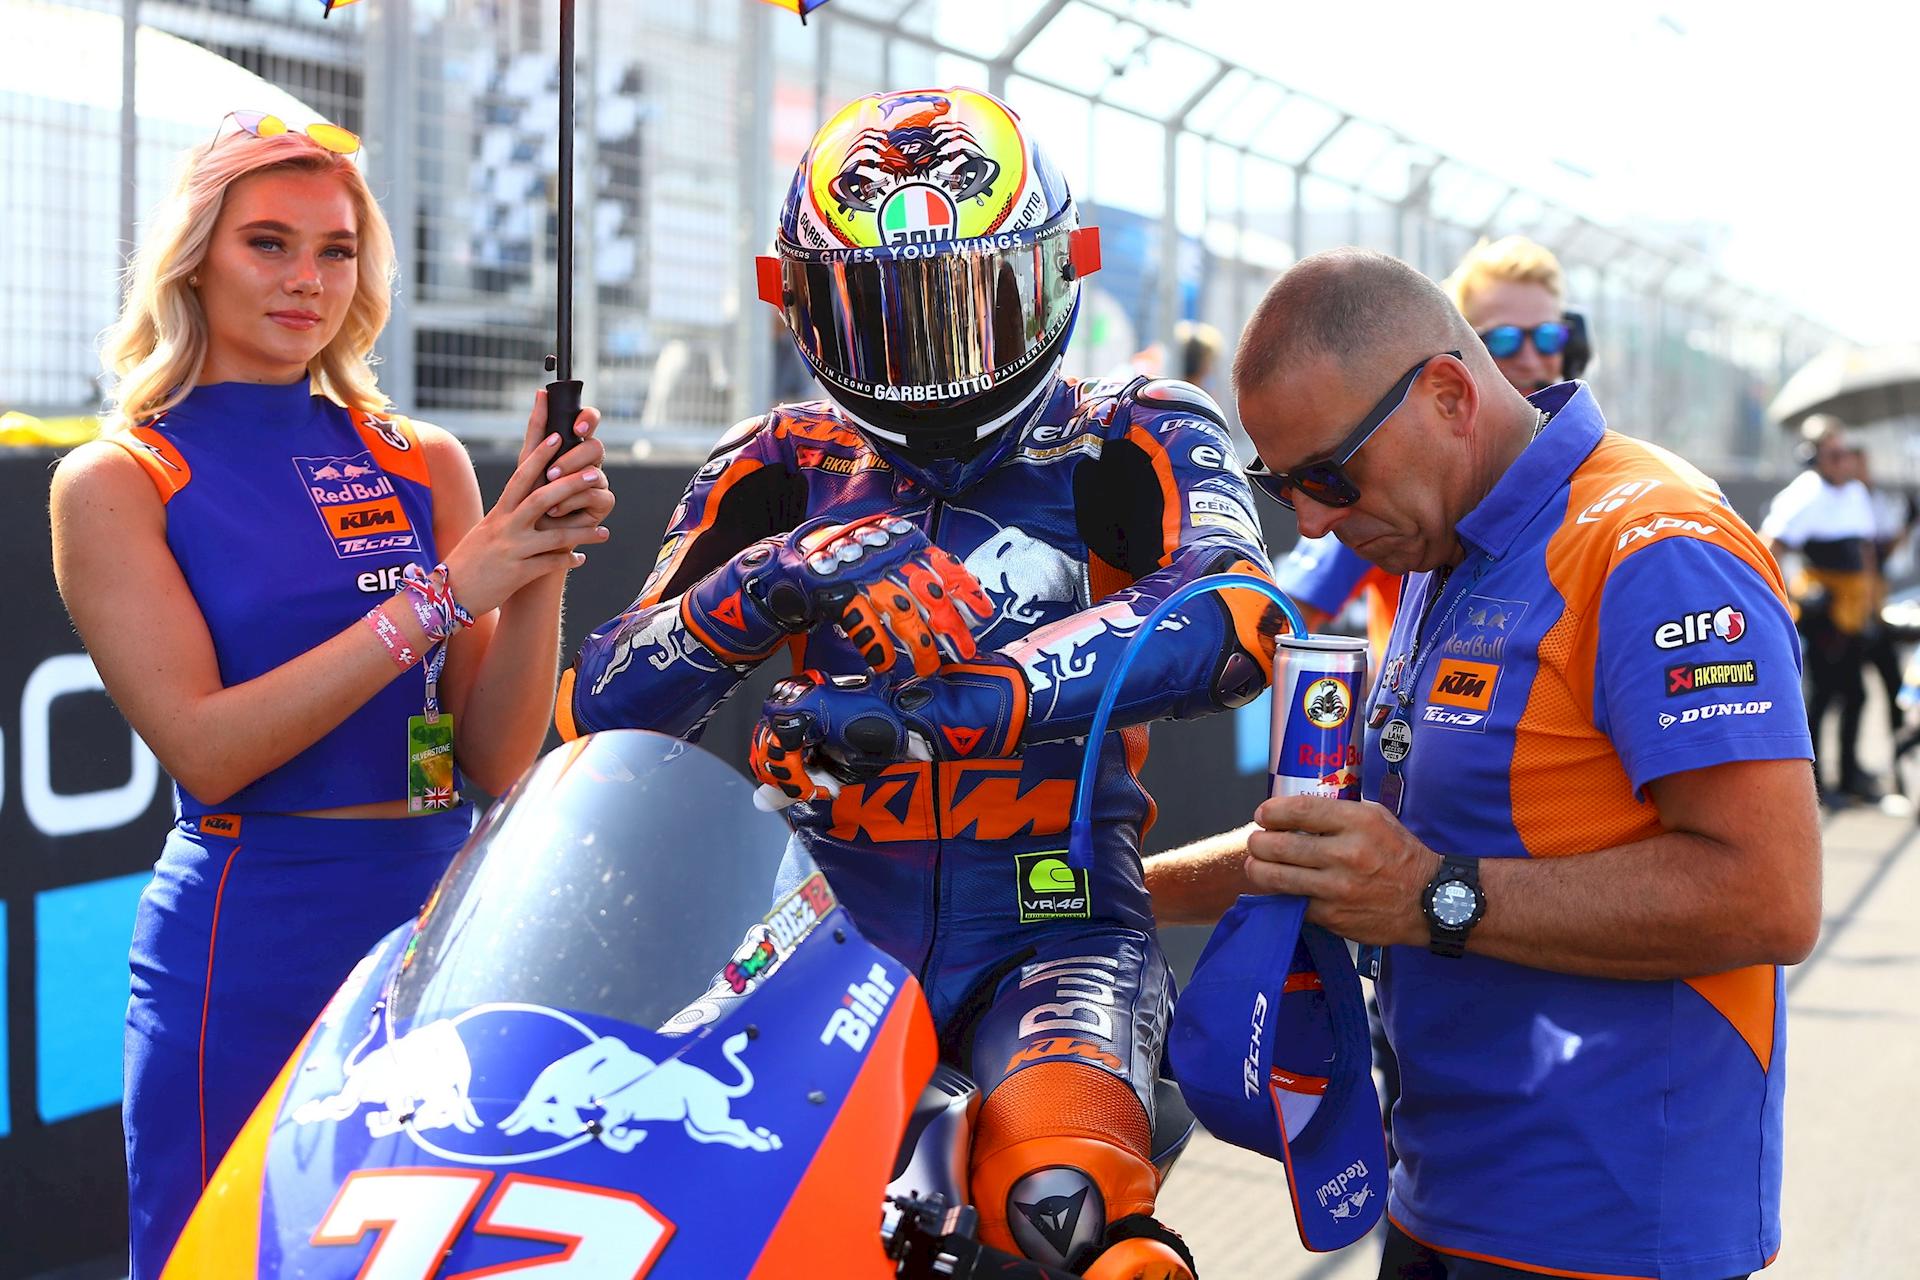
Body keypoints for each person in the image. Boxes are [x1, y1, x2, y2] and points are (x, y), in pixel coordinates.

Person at [561, 86, 1278, 1278]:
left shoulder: (1133, 427)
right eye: (887, 319)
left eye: (968, 305)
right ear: (803, 307)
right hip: (815, 924)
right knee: (708, 1193)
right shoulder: (778, 462)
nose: (932, 359)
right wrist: (773, 580)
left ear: (1052, 274)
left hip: (1057, 919)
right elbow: (597, 706)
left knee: (1068, 1199)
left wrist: (951, 710)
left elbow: (1234, 621)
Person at [1147, 248, 1820, 1280]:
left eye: (1329, 476)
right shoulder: (1441, 539)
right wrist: (1118, 892)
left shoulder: (1654, 546)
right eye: (1279, 484)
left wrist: (1436, 898)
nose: (1314, 520)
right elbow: (1346, 852)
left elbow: (1769, 894)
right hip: (1439, 1195)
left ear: (1450, 396)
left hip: (1612, 1230)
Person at [48, 114, 615, 1277]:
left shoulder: (423, 460)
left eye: (337, 250)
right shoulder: (117, 479)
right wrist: (446, 594)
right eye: (269, 243)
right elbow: (208, 748)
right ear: (195, 256)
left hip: (440, 924)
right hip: (251, 931)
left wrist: (540, 556)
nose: (308, 279)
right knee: (233, 1253)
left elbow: (499, 760)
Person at [1272, 236, 1587, 666]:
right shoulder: (1386, 491)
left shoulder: (1599, 483)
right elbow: (1283, 620)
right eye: (1507, 341)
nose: (1533, 361)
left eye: (1549, 338)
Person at [1759, 415, 1882, 803]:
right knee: (1821, 697)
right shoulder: (1803, 494)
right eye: (1835, 454)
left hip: (1853, 606)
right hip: (1822, 608)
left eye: (1846, 453)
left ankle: (1850, 773)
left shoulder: (1856, 493)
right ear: (1813, 458)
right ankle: (1812, 783)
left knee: (1857, 694)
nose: (1845, 461)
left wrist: (1871, 600)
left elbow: (1863, 550)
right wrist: (1789, 597)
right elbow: (1768, 547)